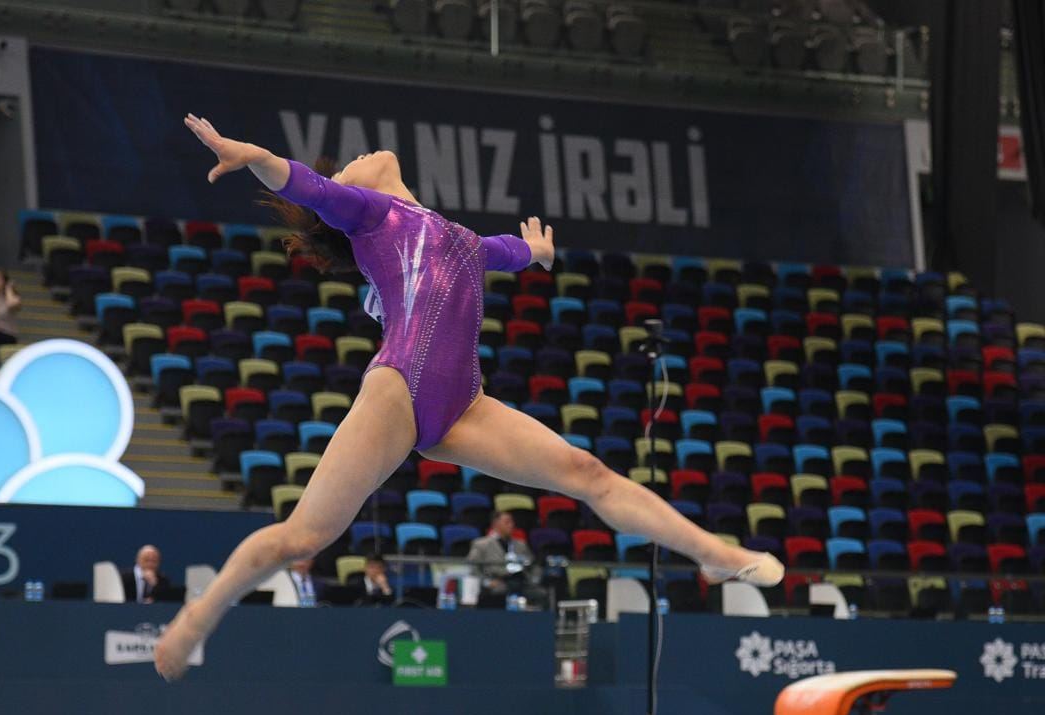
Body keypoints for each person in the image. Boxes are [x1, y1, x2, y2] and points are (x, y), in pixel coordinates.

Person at [154, 114, 783, 680]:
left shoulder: (457, 237)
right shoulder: (369, 214)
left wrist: (537, 251)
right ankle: (199, 615)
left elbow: (503, 253)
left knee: (587, 472)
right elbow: (306, 187)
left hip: (464, 404)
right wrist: (253, 155)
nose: (353, 162)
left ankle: (713, 554)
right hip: (399, 386)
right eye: (345, 169)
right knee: (301, 538)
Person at [467, 511, 535, 593]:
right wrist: (487, 582)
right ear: (495, 524)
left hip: (521, 583)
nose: (512, 525)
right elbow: (472, 568)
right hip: (495, 585)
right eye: (507, 522)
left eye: (512, 522)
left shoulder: (521, 545)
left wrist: (533, 579)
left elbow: (532, 564)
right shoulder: (481, 544)